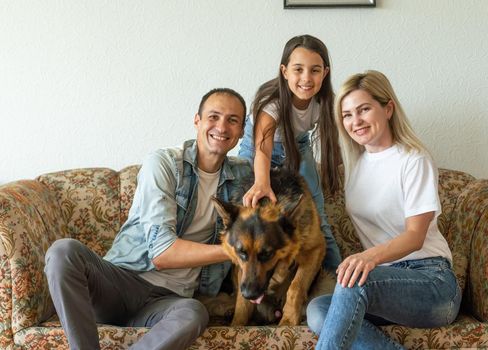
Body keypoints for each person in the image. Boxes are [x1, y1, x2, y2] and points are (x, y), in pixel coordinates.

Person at [44, 88, 251, 350]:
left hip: (170, 300)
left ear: (242, 131)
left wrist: (265, 179)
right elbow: (162, 253)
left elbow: (276, 159)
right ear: (197, 120)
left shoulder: (244, 177)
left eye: (233, 120)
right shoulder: (164, 163)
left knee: (194, 314)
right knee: (64, 251)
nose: (222, 126)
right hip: (121, 284)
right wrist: (236, 251)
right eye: (214, 116)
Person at [306, 70, 462, 349]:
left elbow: (415, 236)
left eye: (364, 109)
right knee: (318, 310)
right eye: (347, 114)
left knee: (354, 282)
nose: (356, 121)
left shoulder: (414, 159)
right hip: (381, 286)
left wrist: (367, 258)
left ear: (388, 108)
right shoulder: (354, 165)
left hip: (432, 283)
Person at [238, 34, 342, 272]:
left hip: (297, 145)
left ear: (325, 73)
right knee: (245, 202)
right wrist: (262, 183)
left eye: (315, 70)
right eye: (298, 69)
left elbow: (339, 141)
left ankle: (334, 276)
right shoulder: (272, 102)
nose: (306, 78)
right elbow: (262, 148)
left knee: (317, 211)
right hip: (257, 147)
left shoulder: (325, 103)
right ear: (284, 71)